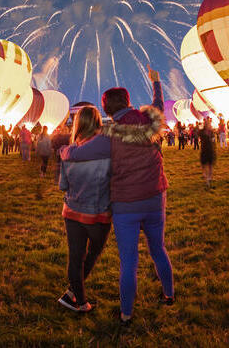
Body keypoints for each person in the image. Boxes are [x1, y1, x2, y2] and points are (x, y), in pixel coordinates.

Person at [69, 65, 173, 325]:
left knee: (129, 260)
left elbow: (78, 154)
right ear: (128, 102)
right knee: (158, 248)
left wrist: (64, 152)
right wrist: (156, 81)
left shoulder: (108, 136)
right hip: (155, 197)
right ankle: (169, 295)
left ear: (106, 110)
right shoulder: (150, 122)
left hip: (126, 203)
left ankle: (126, 314)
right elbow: (158, 103)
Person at [57, 106, 112, 313]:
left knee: (75, 257)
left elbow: (62, 186)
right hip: (98, 213)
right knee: (93, 253)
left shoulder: (68, 152)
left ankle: (77, 299)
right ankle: (77, 298)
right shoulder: (106, 151)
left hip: (72, 211)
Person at [198, 117, 215, 188]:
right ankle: (206, 176)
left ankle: (210, 177)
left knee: (210, 164)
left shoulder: (211, 132)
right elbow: (199, 136)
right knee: (204, 164)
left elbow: (213, 140)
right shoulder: (202, 131)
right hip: (204, 149)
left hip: (210, 149)